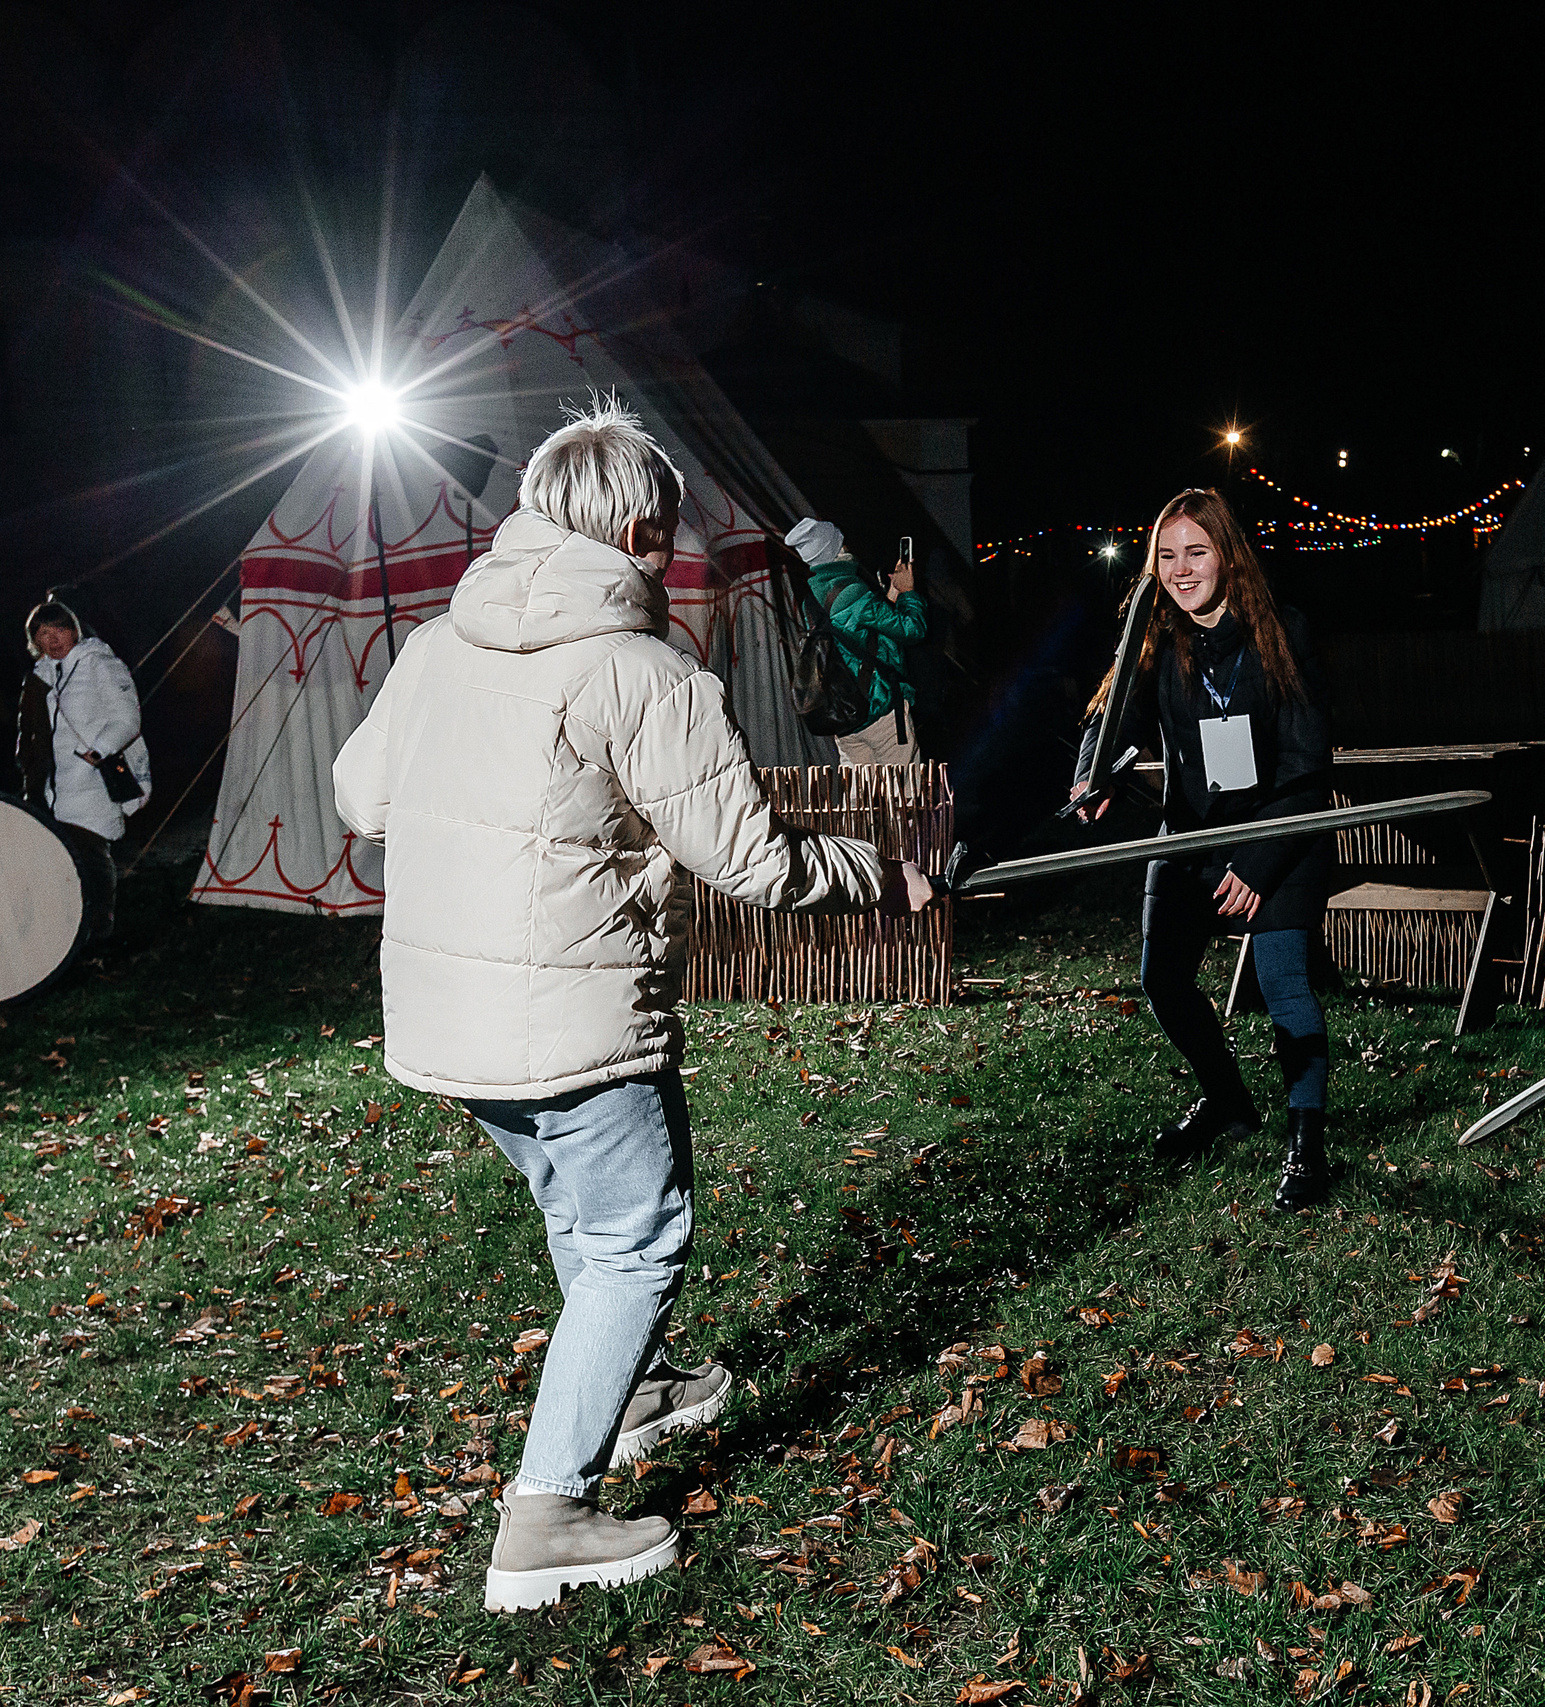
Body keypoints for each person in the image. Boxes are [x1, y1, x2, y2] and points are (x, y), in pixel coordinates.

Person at [333, 398, 935, 1614]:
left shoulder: (442, 642)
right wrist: (885, 873)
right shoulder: (643, 670)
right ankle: (545, 1518)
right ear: (645, 535)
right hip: (573, 1016)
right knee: (633, 1238)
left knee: (577, 1207)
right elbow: (753, 863)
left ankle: (642, 1385)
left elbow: (359, 799)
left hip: (446, 1023)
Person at [1070, 488, 1337, 1209]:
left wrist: (1258, 862)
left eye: (1196, 551)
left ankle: (1307, 1143)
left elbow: (1308, 764)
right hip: (1191, 833)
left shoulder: (1283, 632)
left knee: (1283, 984)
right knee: (1162, 978)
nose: (1181, 570)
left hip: (1278, 831)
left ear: (1227, 554)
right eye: (1166, 556)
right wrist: (1094, 776)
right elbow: (1110, 714)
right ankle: (1227, 1101)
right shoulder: (1154, 634)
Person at [23, 596, 149, 938]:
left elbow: (127, 719)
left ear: (74, 630)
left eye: (59, 629)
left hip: (92, 780)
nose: (53, 639)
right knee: (66, 861)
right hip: (58, 786)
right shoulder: (47, 675)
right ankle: (71, 937)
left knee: (92, 855)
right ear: (34, 641)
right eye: (43, 633)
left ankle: (100, 936)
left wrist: (95, 754)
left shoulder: (99, 663)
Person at [786, 517, 929, 766]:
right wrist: (908, 592)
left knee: (861, 798)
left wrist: (892, 592)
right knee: (902, 796)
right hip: (879, 710)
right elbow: (912, 629)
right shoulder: (852, 591)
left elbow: (862, 633)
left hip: (847, 717)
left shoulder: (814, 598)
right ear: (834, 549)